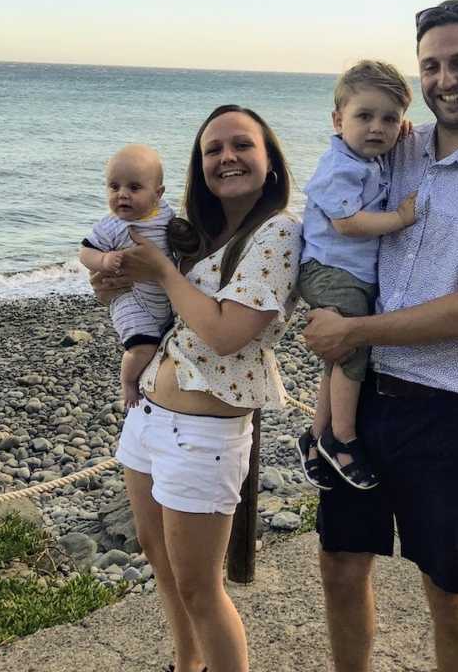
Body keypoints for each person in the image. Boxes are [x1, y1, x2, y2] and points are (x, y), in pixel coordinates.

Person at [304, 1, 458, 672]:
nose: (447, 78)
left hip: (448, 413)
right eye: (432, 66)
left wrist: (350, 328)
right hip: (369, 393)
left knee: (449, 588)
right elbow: (326, 206)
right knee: (340, 564)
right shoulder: (398, 146)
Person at [90, 105, 301, 672]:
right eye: (213, 150)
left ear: (270, 161)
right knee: (159, 560)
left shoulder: (277, 233)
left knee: (201, 588)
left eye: (242, 145)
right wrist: (110, 280)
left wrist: (161, 272)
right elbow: (136, 301)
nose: (227, 157)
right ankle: (187, 665)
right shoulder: (195, 234)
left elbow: (226, 334)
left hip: (205, 430)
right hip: (149, 416)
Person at [295, 60, 416, 492]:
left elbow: (392, 132)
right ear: (338, 120)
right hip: (329, 269)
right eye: (364, 117)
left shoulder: (371, 155)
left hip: (351, 271)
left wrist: (403, 130)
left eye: (389, 119)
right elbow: (348, 223)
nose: (377, 128)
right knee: (351, 346)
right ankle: (342, 437)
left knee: (338, 357)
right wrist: (400, 218)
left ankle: (316, 437)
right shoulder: (338, 166)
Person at [79, 144, 175, 408]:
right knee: (143, 347)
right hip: (130, 299)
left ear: (158, 194)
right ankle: (128, 381)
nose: (122, 195)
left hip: (162, 298)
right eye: (114, 187)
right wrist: (104, 260)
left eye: (134, 188)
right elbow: (85, 252)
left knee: (164, 340)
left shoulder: (166, 214)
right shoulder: (112, 225)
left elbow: (178, 235)